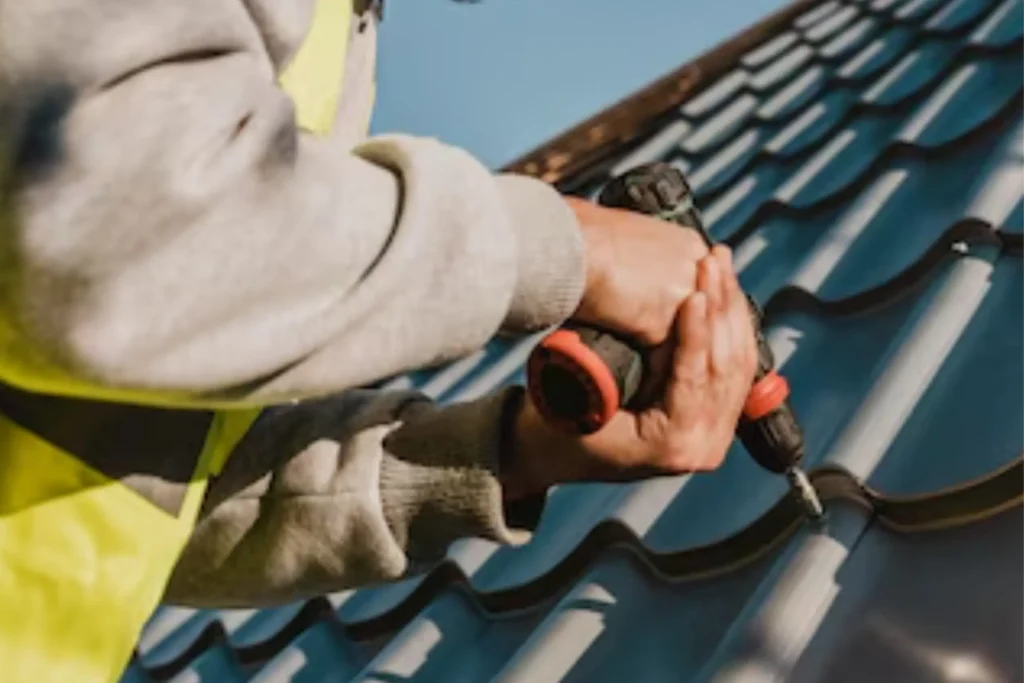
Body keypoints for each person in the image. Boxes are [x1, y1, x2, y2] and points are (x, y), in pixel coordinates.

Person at [0, 1, 757, 681]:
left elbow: (161, 476)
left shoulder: (340, 38)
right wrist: (572, 251)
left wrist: (509, 451)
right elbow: (103, 231)